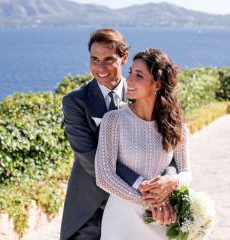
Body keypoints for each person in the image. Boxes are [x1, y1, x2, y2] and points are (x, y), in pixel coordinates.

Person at [60, 29, 179, 240]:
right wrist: (142, 187)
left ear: (124, 58)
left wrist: (167, 181)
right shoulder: (75, 102)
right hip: (91, 209)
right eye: (94, 59)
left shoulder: (143, 92)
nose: (100, 67)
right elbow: (90, 157)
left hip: (140, 209)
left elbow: (166, 146)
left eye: (108, 60)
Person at [95, 48, 192, 239]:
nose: (129, 80)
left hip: (161, 219)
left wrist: (173, 181)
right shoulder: (113, 120)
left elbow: (187, 173)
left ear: (157, 84)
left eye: (138, 75)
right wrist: (150, 203)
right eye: (130, 72)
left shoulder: (176, 125)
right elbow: (104, 175)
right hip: (122, 219)